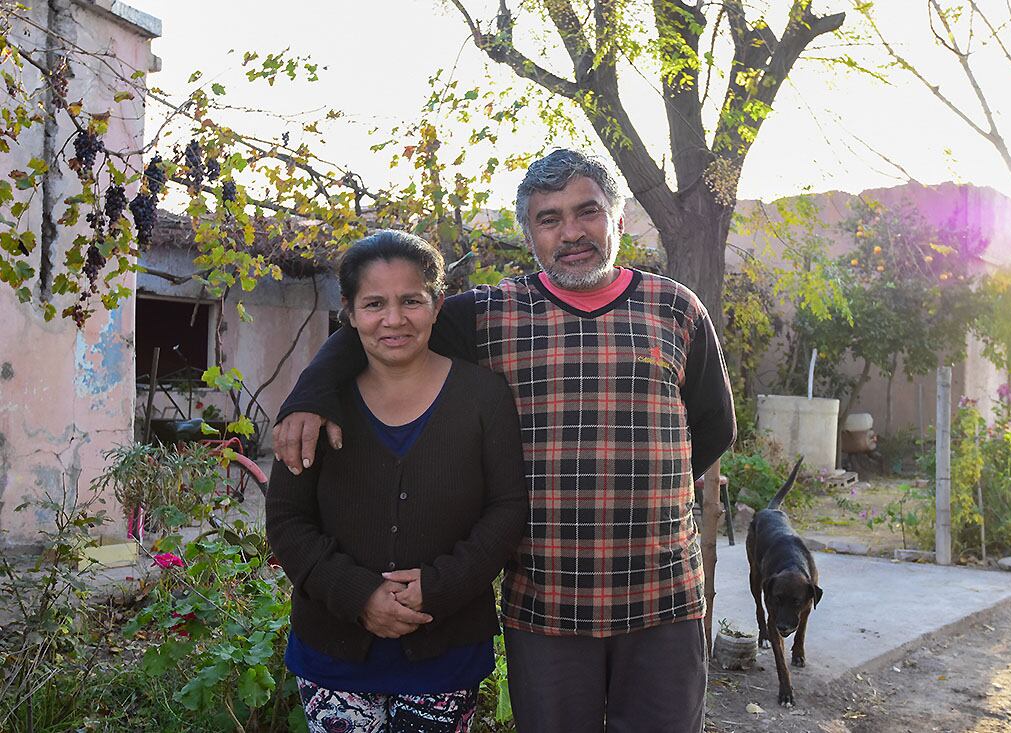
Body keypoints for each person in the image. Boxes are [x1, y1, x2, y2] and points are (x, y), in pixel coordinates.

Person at [276, 149, 735, 733]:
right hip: (545, 606)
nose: (571, 233)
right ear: (529, 234)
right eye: (549, 219)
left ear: (617, 221)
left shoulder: (676, 309)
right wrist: (308, 396)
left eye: (587, 212)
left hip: (662, 598)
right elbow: (383, 321)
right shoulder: (487, 315)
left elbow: (712, 428)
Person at [265, 230, 527, 733]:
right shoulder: (317, 406)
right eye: (374, 303)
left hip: (444, 648)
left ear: (437, 305)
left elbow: (507, 507)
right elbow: (286, 518)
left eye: (412, 301)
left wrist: (440, 584)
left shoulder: (484, 397)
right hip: (333, 649)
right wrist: (358, 594)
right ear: (349, 311)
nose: (393, 319)